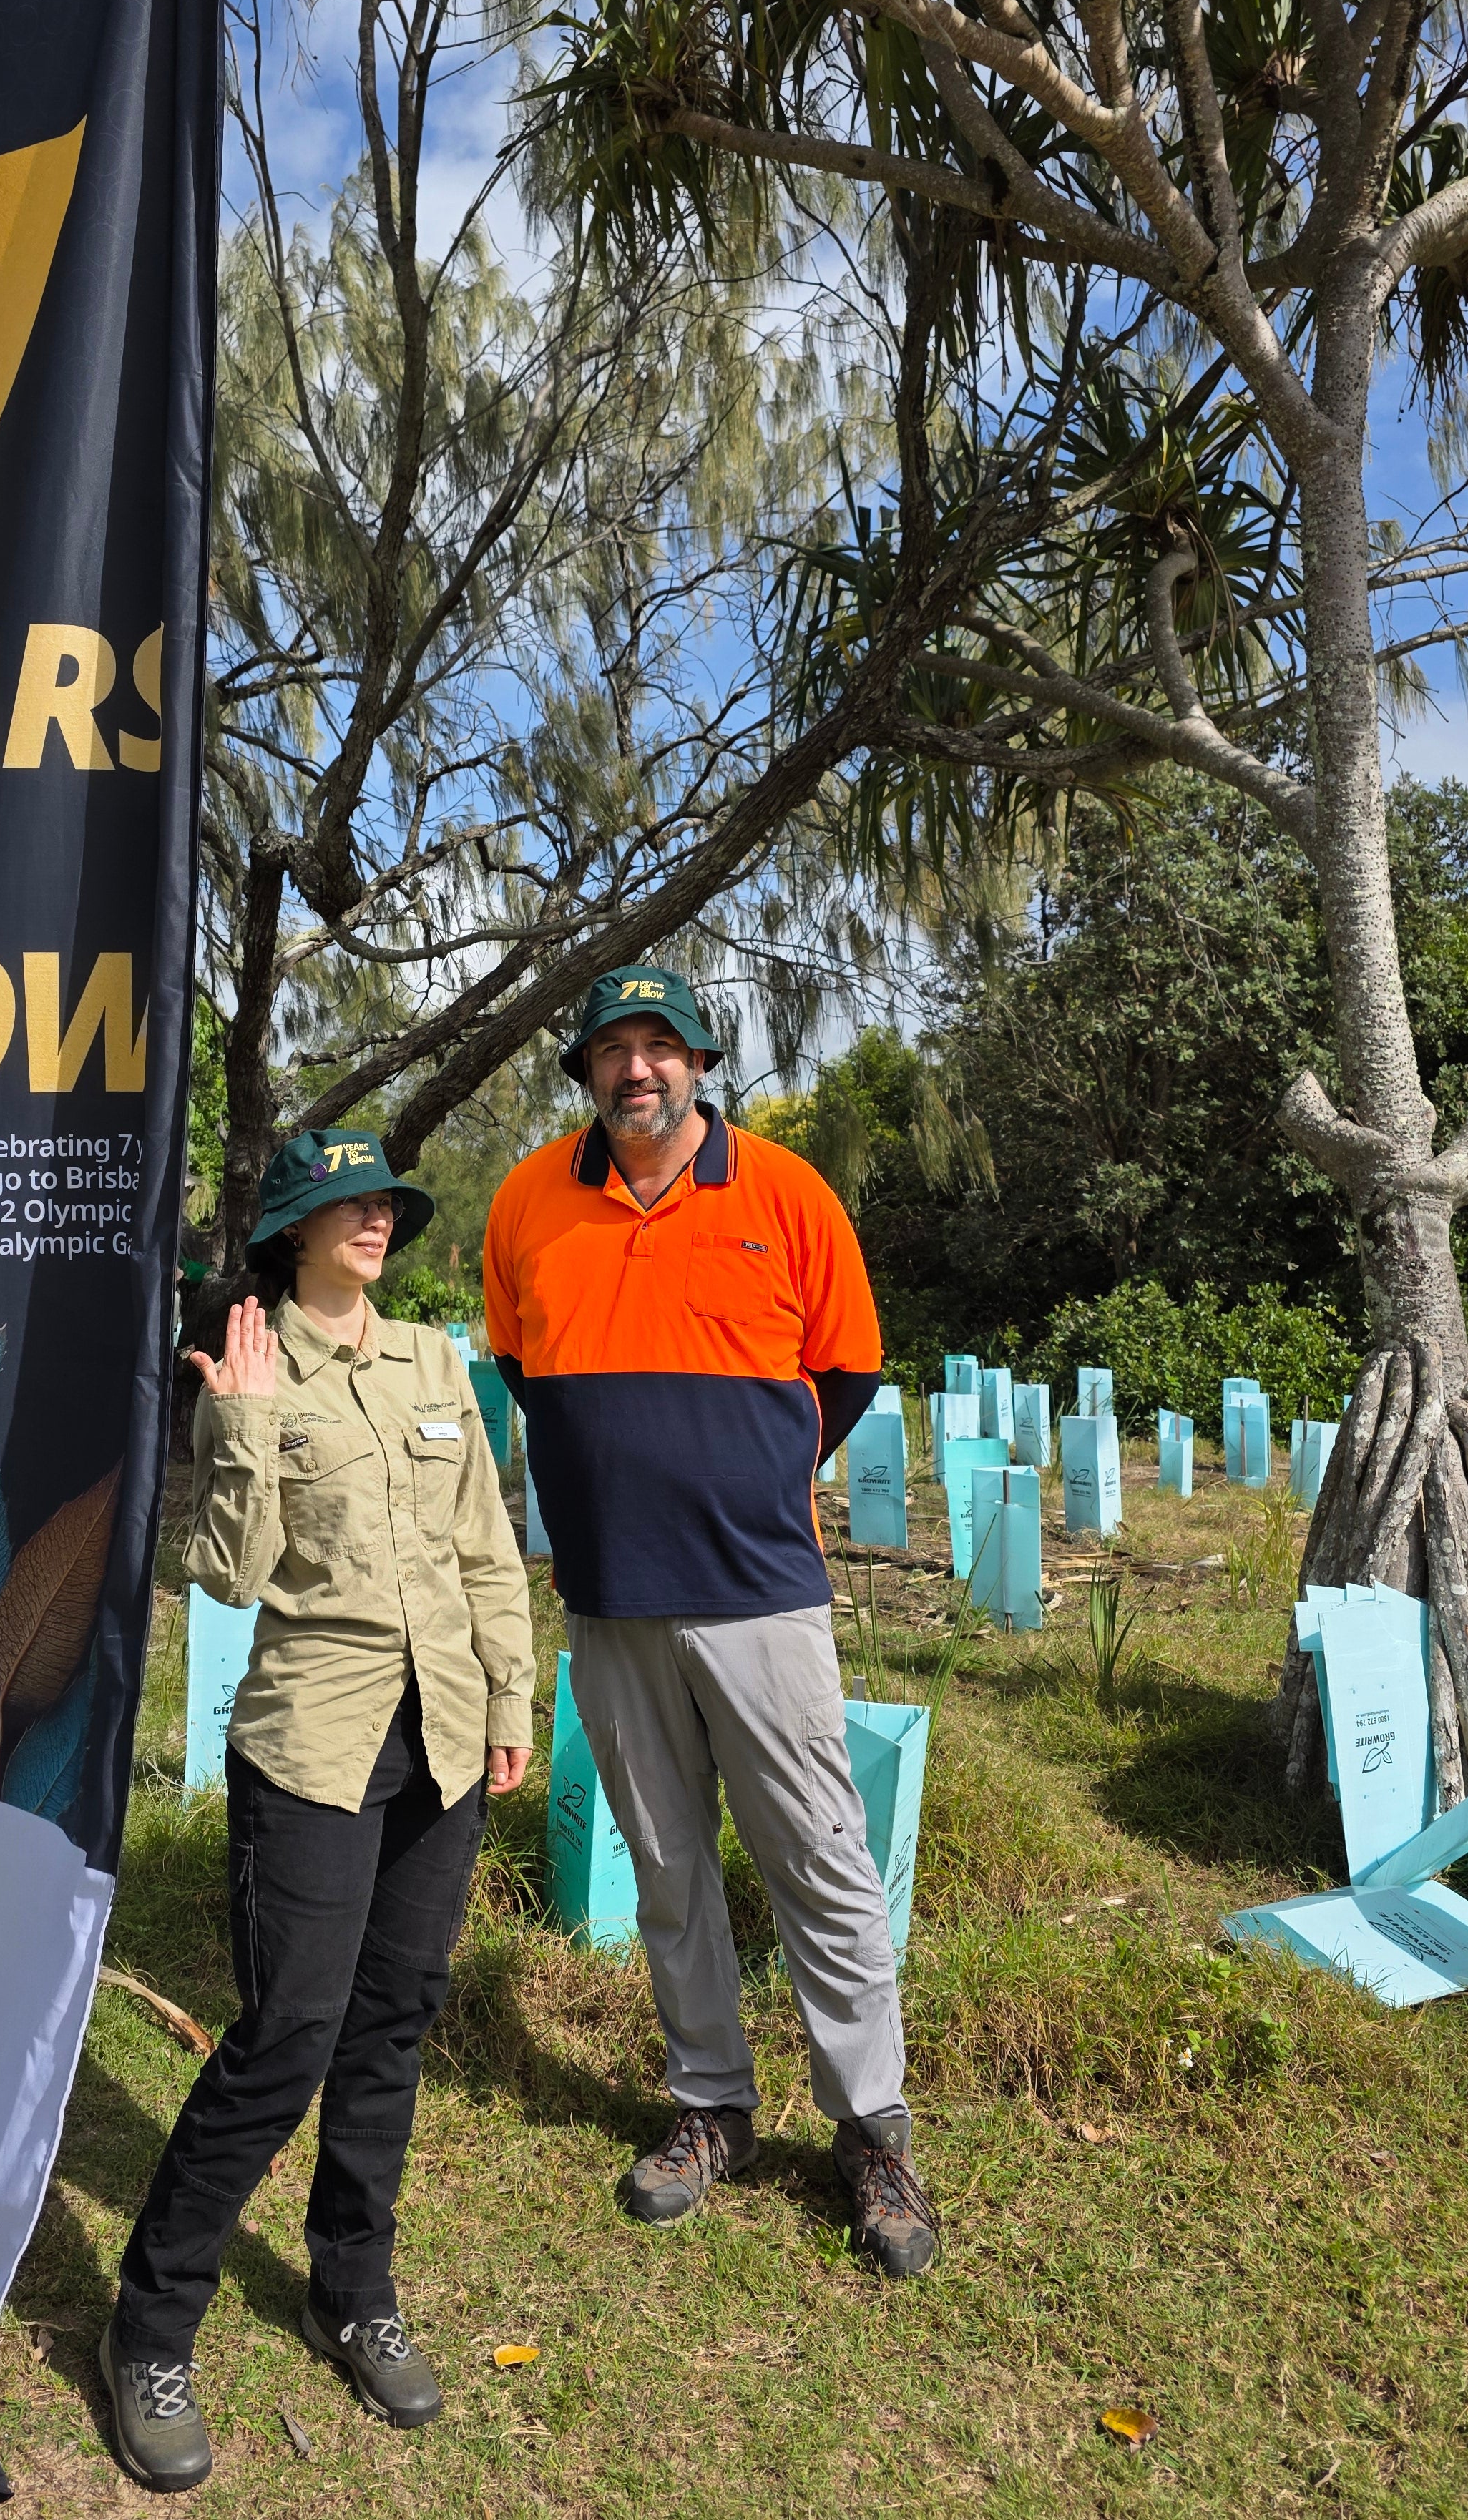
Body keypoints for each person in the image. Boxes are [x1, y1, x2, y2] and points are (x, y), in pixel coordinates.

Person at [483, 965, 938, 2277]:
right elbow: (525, 1370)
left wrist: (741, 1476)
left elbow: (845, 1370)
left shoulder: (788, 1194)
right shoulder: (525, 1201)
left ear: (700, 1063)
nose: (638, 1070)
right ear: (584, 1073)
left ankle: (870, 2131)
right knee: (667, 1870)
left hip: (759, 1597)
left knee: (821, 1862)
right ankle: (711, 2106)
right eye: (613, 1051)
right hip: (610, 1600)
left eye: (661, 1047)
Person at [100, 1129, 534, 2492]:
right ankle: (151, 2326)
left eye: (385, 1206)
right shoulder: (252, 1365)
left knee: (395, 2018)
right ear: (293, 1230)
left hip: (445, 1738)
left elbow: (486, 1548)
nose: (374, 1224)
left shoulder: (433, 1362)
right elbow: (226, 1579)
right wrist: (231, 1425)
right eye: (346, 1206)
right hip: (314, 1744)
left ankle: (351, 2287)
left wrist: (513, 1701)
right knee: (286, 2036)